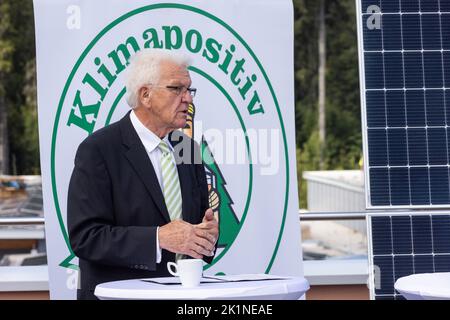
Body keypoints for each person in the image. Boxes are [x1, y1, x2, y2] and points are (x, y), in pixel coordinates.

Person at [67, 49, 219, 300]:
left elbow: (193, 230)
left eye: (189, 90)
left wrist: (205, 236)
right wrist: (158, 238)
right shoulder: (98, 150)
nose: (188, 99)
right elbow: (86, 237)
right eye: (176, 89)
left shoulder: (188, 149)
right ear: (145, 95)